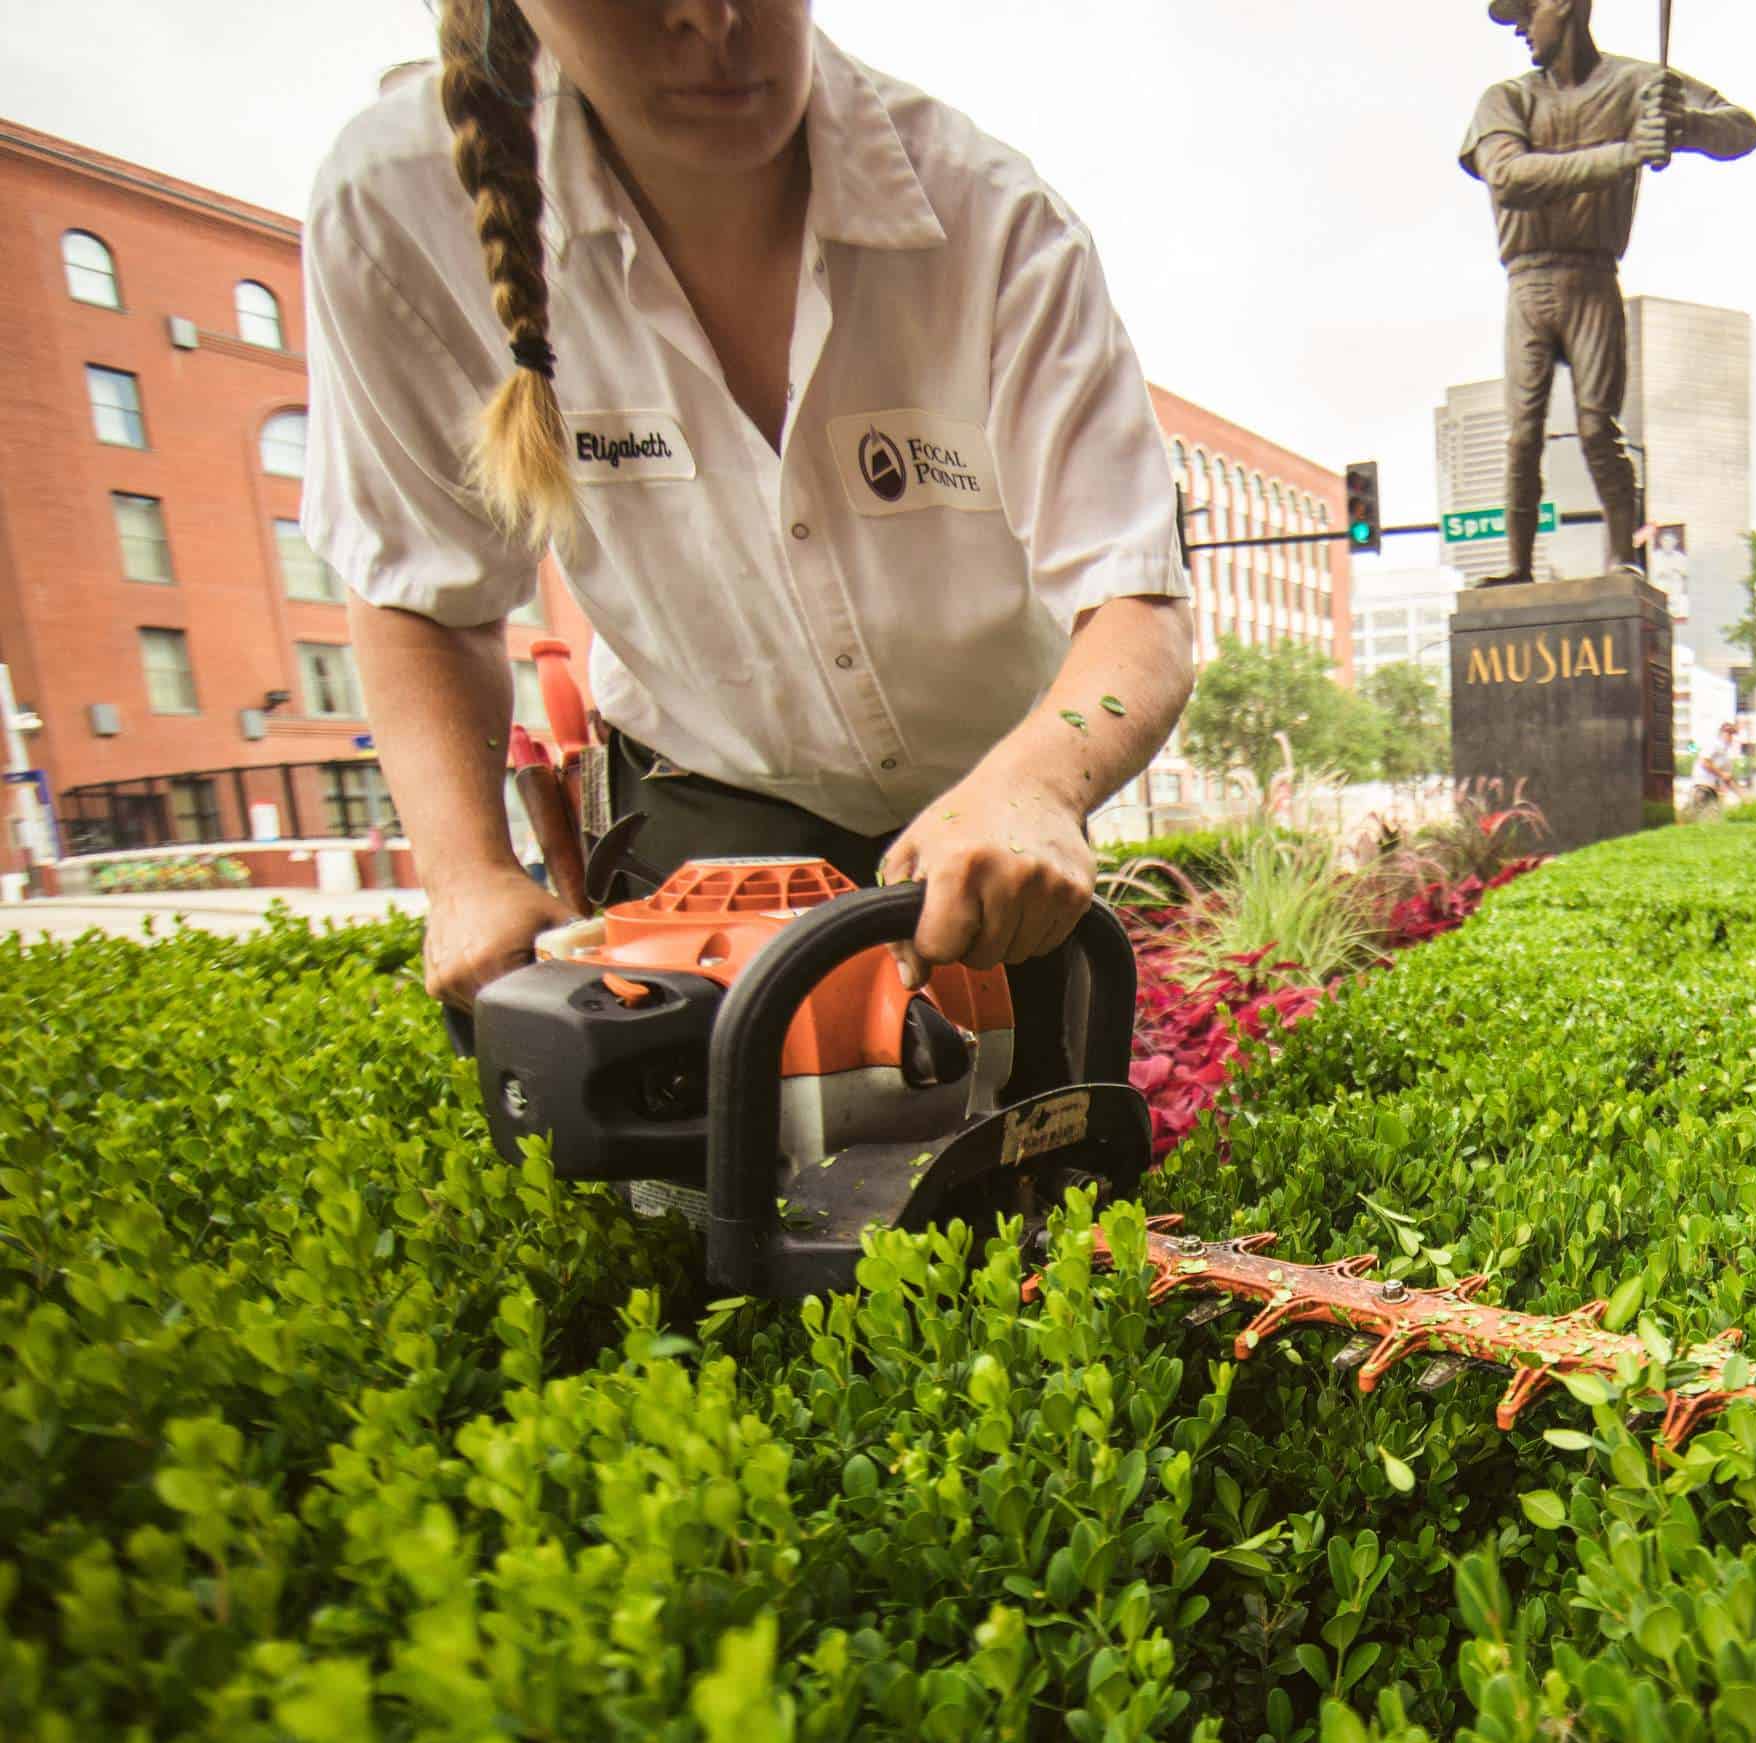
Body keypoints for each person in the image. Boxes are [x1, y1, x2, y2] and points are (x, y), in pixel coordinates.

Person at [302, 0, 1195, 1009]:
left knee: (1027, 1150)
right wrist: (464, 875)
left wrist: (1039, 782)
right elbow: (422, 586)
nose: (711, 16)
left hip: (997, 812)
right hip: (704, 817)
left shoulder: (993, 217)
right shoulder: (397, 210)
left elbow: (1138, 603)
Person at [1462, 0, 1756, 583]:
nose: (1521, 29)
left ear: (1564, 6)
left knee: (1600, 430)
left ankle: (1623, 556)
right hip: (1527, 279)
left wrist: (1684, 125)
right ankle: (1518, 570)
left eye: (1527, 13)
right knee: (1522, 437)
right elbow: (1510, 177)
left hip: (1593, 277)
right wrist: (1628, 152)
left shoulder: (1638, 84)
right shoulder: (1505, 99)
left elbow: (1742, 131)